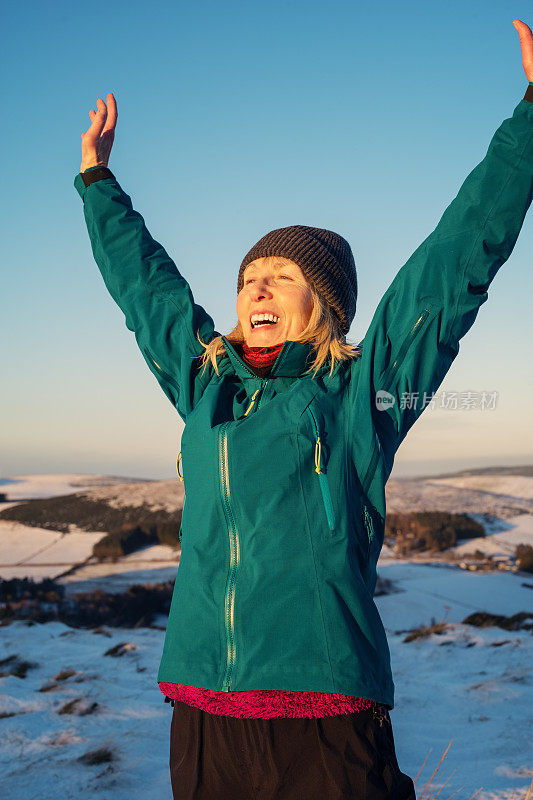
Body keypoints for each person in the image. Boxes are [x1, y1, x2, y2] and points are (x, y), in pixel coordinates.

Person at [75, 20, 533, 800]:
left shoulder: (363, 396)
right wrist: (97, 182)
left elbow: (447, 272)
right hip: (201, 708)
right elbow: (147, 294)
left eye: (283, 275)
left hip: (323, 711)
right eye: (251, 272)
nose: (256, 284)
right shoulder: (206, 386)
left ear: (324, 307)